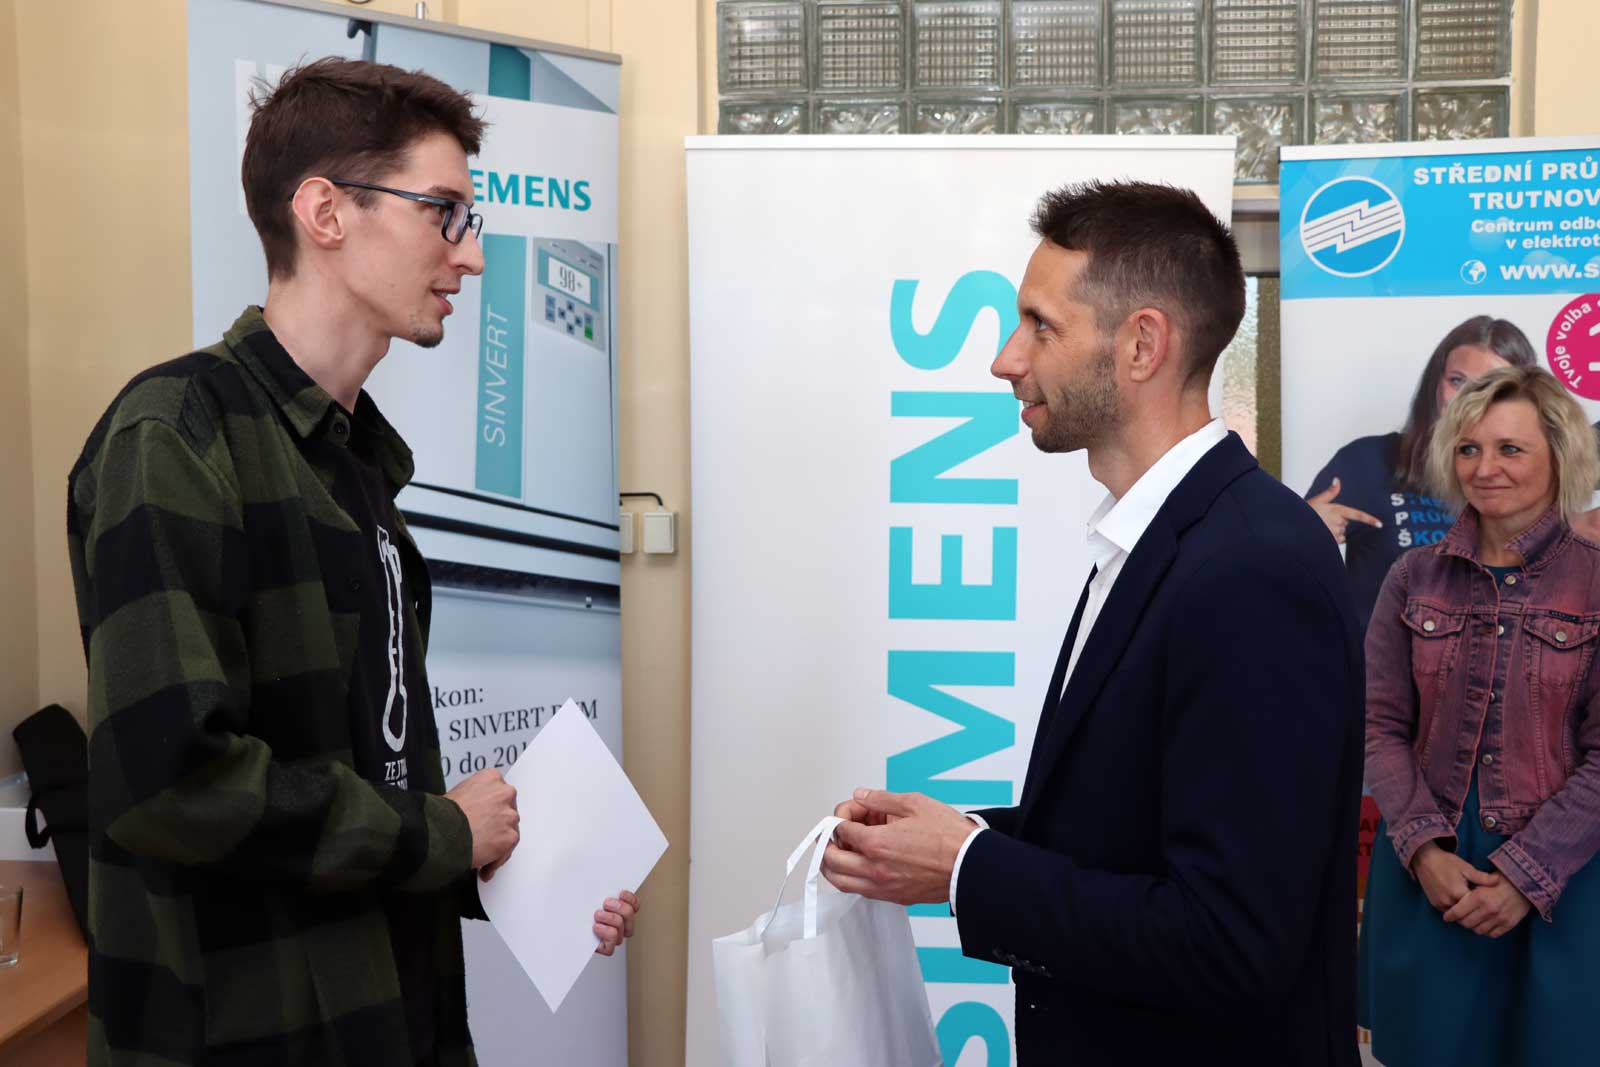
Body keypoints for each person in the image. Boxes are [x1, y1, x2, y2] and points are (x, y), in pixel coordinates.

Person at [66, 58, 637, 1067]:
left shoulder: (360, 461)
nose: (470, 256)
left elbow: (361, 773)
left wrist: (512, 866)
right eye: (443, 213)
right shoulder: (175, 434)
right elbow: (173, 781)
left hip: (398, 1016)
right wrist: (441, 833)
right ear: (325, 211)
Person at [821, 180, 1364, 1066]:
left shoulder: (1250, 567)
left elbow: (1231, 940)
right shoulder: (1164, 539)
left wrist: (966, 870)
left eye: (1040, 326)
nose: (1005, 360)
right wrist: (951, 839)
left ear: (1142, 343)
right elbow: (1132, 830)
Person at [1359, 364, 1600, 1067]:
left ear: (1560, 454)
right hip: (1429, 873)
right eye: (1469, 448)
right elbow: (1377, 724)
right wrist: (1422, 849)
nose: (1485, 468)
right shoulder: (1411, 576)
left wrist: (1527, 874)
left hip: (1565, 880)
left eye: (1510, 448)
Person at [1305, 316, 1537, 633]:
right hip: (1381, 662)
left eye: (1490, 388)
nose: (1468, 399)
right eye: (1457, 381)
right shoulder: (1368, 460)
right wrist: (1303, 530)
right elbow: (1283, 570)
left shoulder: (1537, 477)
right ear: (1435, 385)